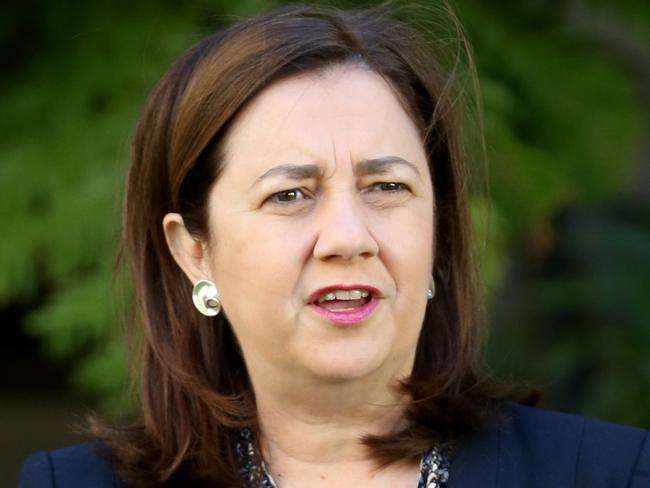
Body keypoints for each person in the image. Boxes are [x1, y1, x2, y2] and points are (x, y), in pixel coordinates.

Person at [19, 3, 649, 487]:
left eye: (386, 186)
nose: (349, 238)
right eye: (290, 195)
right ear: (194, 251)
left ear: (439, 230)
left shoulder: (609, 473)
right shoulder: (73, 484)